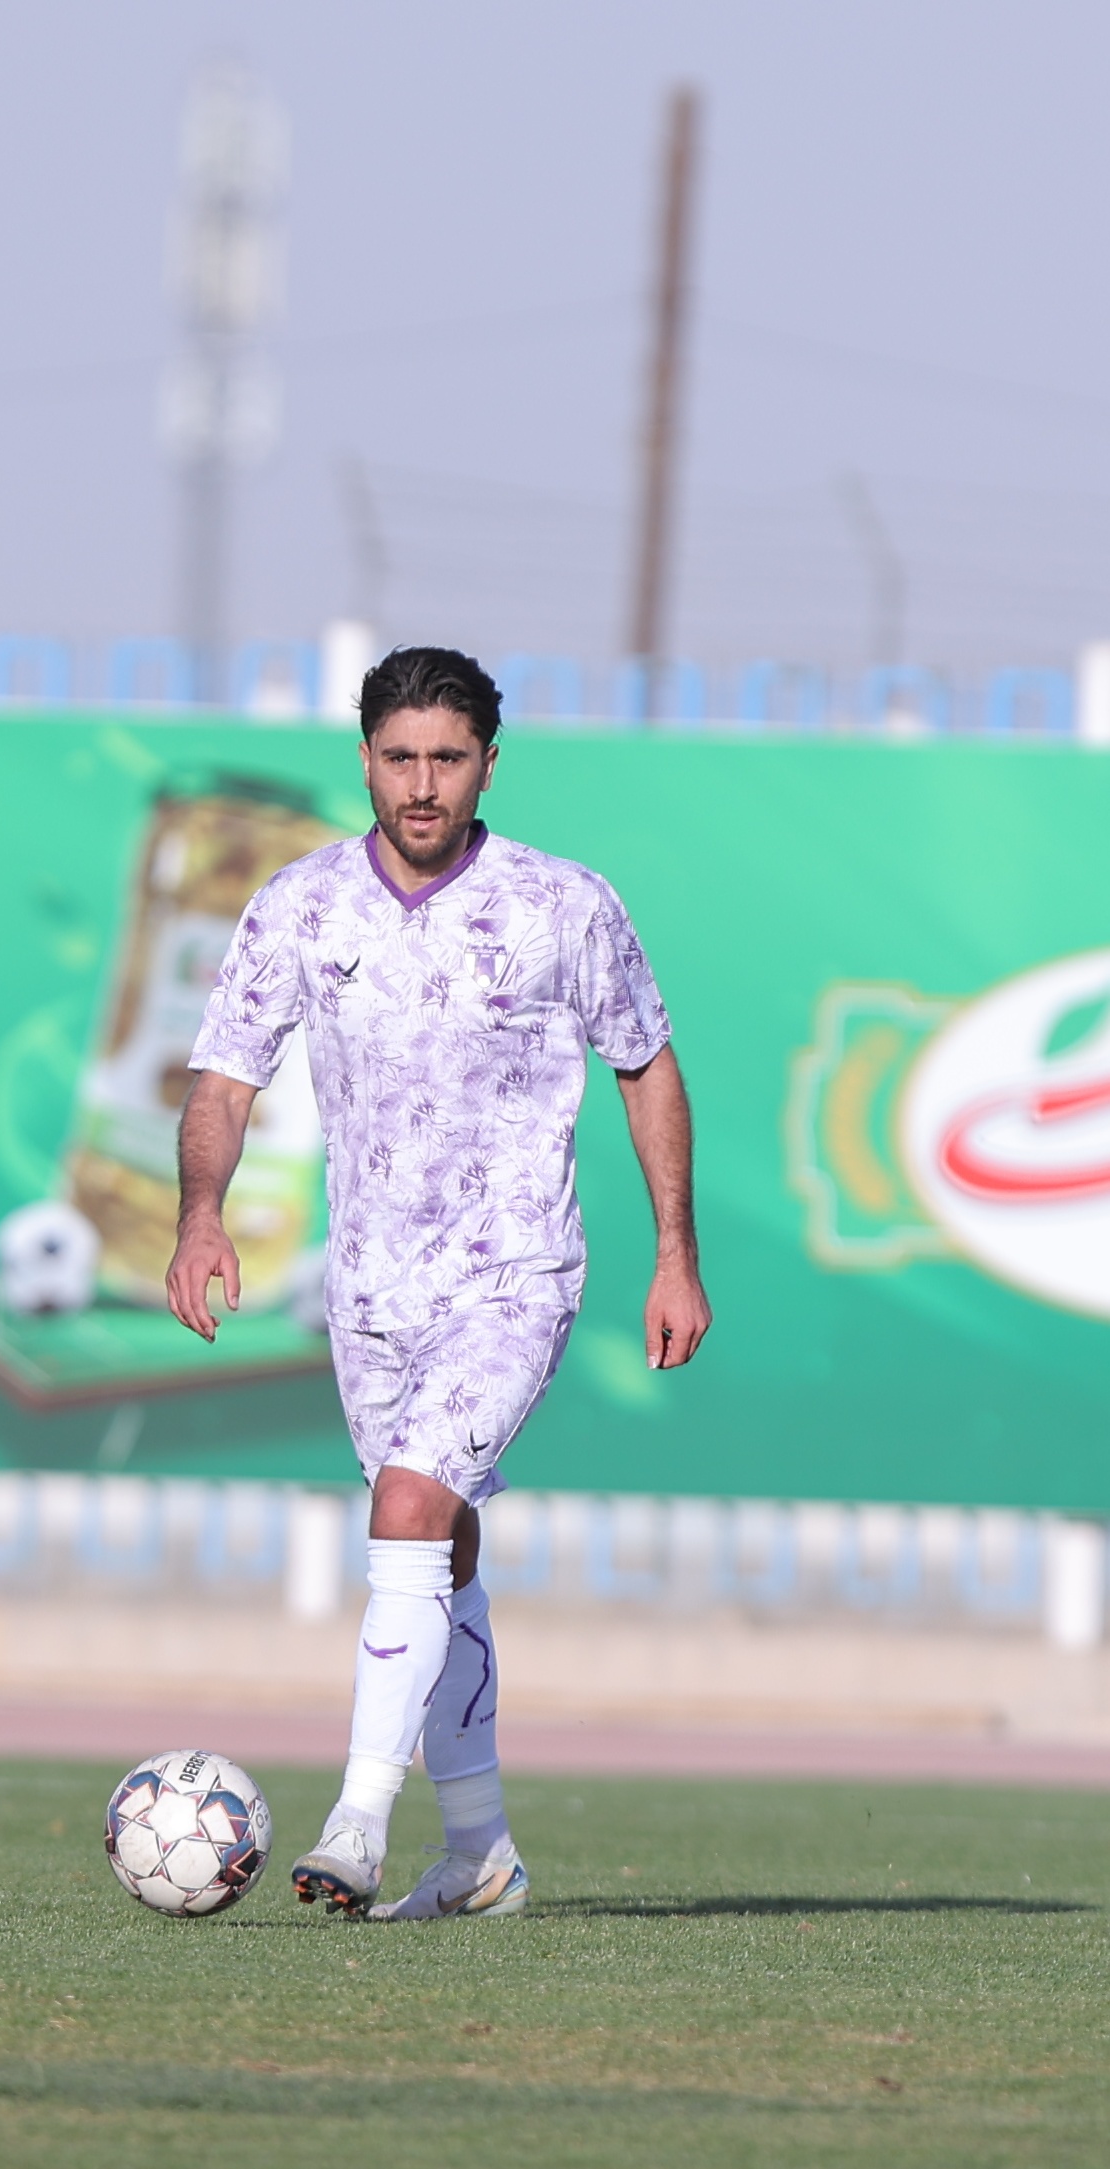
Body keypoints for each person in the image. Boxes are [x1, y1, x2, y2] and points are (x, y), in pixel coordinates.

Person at [166, 645, 711, 1920]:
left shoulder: (563, 903)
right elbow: (224, 1079)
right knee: (439, 1552)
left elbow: (646, 1067)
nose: (422, 785)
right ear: (364, 760)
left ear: (488, 766)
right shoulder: (300, 904)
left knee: (407, 1506)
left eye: (447, 759)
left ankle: (356, 1822)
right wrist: (199, 1218)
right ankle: (481, 1854)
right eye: (401, 758)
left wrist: (674, 1254)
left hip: (515, 1272)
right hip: (370, 1291)